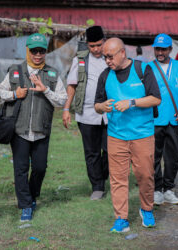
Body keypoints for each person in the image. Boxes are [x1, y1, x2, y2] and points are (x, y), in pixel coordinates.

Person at [0, 33, 67, 222]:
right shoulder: (15, 70)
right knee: (20, 169)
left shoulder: (52, 74)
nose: (38, 55)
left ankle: (32, 194)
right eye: (34, 51)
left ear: (46, 52)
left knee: (40, 167)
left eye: (42, 51)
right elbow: (1, 92)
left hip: (41, 130)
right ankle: (26, 205)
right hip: (19, 130)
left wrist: (45, 89)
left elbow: (62, 100)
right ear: (27, 50)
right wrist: (15, 93)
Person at [95, 37, 161, 232]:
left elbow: (156, 98)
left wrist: (132, 102)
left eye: (110, 56)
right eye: (104, 57)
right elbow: (97, 105)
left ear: (122, 53)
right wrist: (102, 106)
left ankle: (146, 209)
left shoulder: (143, 70)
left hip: (142, 134)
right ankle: (121, 218)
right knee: (117, 178)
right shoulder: (105, 76)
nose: (107, 61)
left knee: (145, 175)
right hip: (116, 136)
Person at [62, 26, 108, 200]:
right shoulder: (80, 60)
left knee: (110, 150)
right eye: (92, 46)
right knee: (91, 151)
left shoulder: (111, 58)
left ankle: (102, 175)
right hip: (87, 113)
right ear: (87, 45)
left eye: (99, 45)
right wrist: (66, 108)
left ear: (104, 41)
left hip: (110, 114)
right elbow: (72, 85)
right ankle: (97, 186)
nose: (96, 49)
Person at [149, 33, 178, 205]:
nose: (160, 52)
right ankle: (157, 190)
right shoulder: (147, 68)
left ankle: (168, 189)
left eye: (164, 49)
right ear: (154, 49)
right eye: (157, 49)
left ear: (170, 49)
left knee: (173, 157)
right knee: (153, 156)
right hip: (154, 120)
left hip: (175, 120)